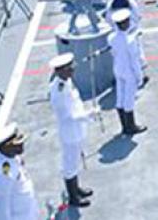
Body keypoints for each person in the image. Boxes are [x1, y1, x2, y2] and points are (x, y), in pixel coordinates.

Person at [48, 53, 94, 208]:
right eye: (69, 69)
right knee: (70, 165)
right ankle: (73, 197)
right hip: (70, 133)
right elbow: (67, 117)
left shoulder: (66, 81)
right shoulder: (58, 91)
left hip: (77, 130)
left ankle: (76, 188)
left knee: (74, 162)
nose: (73, 70)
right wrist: (88, 115)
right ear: (60, 71)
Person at [108, 9, 147, 135]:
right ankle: (131, 126)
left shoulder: (111, 38)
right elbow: (134, 60)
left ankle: (124, 126)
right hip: (129, 71)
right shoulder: (130, 41)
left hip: (118, 69)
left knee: (120, 97)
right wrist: (139, 77)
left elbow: (113, 52)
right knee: (129, 99)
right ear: (125, 23)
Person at [0, 122, 39, 220]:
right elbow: (1, 206)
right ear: (6, 147)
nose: (21, 145)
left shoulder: (12, 156)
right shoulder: (5, 174)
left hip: (28, 212)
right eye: (17, 144)